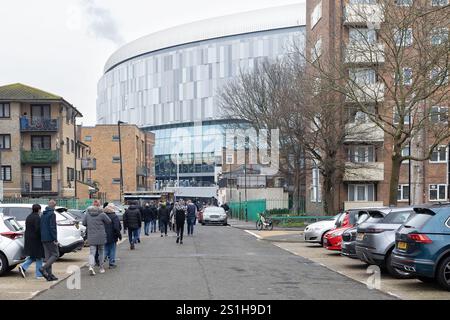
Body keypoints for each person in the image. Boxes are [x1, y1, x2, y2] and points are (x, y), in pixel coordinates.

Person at [83, 200, 112, 275]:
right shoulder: (102, 214)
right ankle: (101, 268)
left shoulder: (87, 214)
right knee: (101, 252)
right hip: (101, 236)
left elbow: (84, 223)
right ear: (99, 205)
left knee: (92, 252)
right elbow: (109, 221)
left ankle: (91, 267)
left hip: (91, 236)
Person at [18, 204, 45, 279]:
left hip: (29, 239)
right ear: (39, 210)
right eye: (40, 209)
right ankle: (39, 274)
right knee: (39, 256)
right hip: (36, 240)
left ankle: (23, 267)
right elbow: (38, 229)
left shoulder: (29, 216)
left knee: (34, 256)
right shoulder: (37, 218)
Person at [39, 200, 59, 281]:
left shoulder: (43, 214)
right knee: (55, 254)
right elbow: (52, 227)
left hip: (43, 238)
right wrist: (55, 238)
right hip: (50, 238)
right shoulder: (52, 214)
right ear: (54, 206)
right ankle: (43, 268)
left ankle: (49, 275)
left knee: (48, 257)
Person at [103, 204, 121, 269]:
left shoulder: (102, 216)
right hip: (112, 236)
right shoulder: (114, 216)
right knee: (112, 249)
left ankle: (101, 262)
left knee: (105, 249)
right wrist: (119, 235)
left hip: (103, 235)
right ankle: (111, 263)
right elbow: (117, 227)